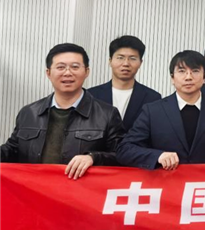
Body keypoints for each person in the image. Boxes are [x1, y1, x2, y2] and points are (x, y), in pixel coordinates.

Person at [1, 43, 123, 179]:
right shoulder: (29, 112)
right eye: (60, 67)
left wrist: (93, 158)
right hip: (33, 188)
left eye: (75, 67)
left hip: (78, 190)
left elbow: (122, 156)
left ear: (86, 72)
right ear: (48, 73)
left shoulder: (107, 114)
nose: (68, 73)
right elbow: (12, 150)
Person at [116, 51, 205, 170]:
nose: (188, 77)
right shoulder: (153, 111)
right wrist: (158, 156)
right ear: (172, 78)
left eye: (195, 71)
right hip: (166, 180)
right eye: (182, 71)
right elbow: (124, 149)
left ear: (204, 78)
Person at [88, 35, 161, 131]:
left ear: (140, 63)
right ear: (110, 61)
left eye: (132, 58)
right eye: (120, 57)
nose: (126, 63)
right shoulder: (91, 95)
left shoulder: (153, 98)